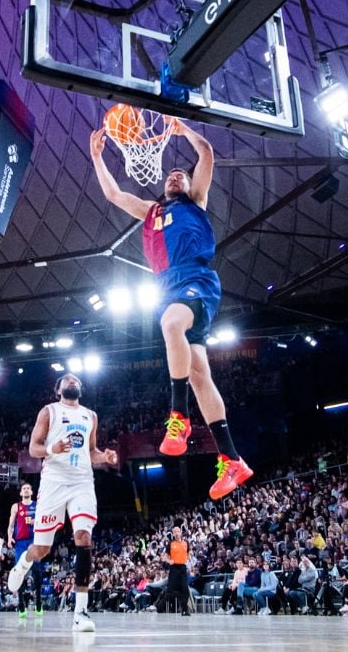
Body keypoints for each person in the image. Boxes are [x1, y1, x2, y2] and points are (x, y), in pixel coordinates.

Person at [90, 122, 251, 500]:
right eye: (171, 175)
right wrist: (97, 157)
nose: (176, 176)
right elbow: (114, 194)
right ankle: (232, 459)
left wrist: (185, 131)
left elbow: (206, 154)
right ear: (163, 186)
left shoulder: (195, 201)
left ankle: (178, 418)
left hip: (194, 278)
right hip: (167, 286)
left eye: (181, 173)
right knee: (200, 376)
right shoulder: (150, 210)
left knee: (169, 323)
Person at [6, 373, 119, 632]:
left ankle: (80, 612)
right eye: (66, 379)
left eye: (76, 379)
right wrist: (51, 449)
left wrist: (106, 457)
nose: (72, 380)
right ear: (58, 389)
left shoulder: (90, 415)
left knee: (83, 537)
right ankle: (24, 562)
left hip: (81, 483)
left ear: (80, 387)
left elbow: (91, 452)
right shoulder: (49, 411)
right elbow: (33, 448)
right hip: (53, 483)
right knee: (42, 549)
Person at [7, 482, 44, 617]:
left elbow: (45, 521)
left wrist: (37, 522)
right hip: (21, 543)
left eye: (28, 488)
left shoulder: (38, 506)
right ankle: (21, 603)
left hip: (35, 541)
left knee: (37, 571)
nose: (26, 490)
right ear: (21, 493)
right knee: (20, 572)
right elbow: (11, 525)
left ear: (32, 492)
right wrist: (9, 537)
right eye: (24, 489)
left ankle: (39, 600)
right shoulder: (16, 507)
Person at [154, 526, 191, 615]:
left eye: (178, 531)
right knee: (170, 590)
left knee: (185, 589)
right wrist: (169, 561)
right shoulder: (171, 543)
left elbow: (188, 553)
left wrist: (189, 560)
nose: (177, 533)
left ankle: (185, 610)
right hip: (174, 568)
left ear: (181, 532)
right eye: (175, 532)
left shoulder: (186, 543)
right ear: (173, 534)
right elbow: (165, 556)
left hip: (183, 568)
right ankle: (159, 607)